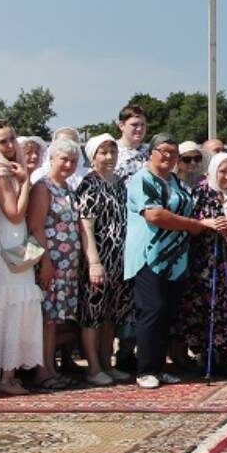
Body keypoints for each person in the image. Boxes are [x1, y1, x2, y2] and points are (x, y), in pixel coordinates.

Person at [126, 135, 212, 388]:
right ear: (151, 153)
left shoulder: (175, 180)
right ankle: (145, 370)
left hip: (175, 259)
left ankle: (159, 367)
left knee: (167, 313)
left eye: (173, 153)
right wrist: (195, 225)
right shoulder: (142, 179)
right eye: (163, 151)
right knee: (152, 309)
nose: (168, 156)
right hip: (148, 256)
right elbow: (155, 215)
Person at [0, 121, 43, 396]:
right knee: (10, 304)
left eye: (11, 139)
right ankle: (6, 374)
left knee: (3, 305)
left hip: (9, 239)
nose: (10, 146)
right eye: (2, 141)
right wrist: (25, 182)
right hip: (8, 239)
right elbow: (14, 212)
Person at [180, 153, 227, 376]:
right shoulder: (201, 192)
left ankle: (226, 354)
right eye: (223, 171)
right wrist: (209, 224)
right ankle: (205, 355)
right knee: (205, 304)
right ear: (213, 171)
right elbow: (190, 225)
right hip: (205, 260)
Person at [75, 134, 132, 384]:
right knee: (93, 314)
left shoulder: (119, 184)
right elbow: (85, 226)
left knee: (111, 314)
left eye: (113, 152)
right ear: (93, 156)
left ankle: (107, 363)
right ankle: (93, 367)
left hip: (119, 261)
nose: (109, 157)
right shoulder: (88, 185)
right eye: (103, 153)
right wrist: (94, 262)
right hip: (97, 260)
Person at [27, 139, 82, 391]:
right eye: (64, 159)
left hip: (67, 265)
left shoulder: (68, 189)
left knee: (54, 320)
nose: (68, 165)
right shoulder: (43, 187)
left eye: (73, 161)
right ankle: (41, 370)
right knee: (46, 319)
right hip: (52, 262)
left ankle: (50, 367)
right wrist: (46, 261)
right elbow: (37, 227)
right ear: (52, 159)